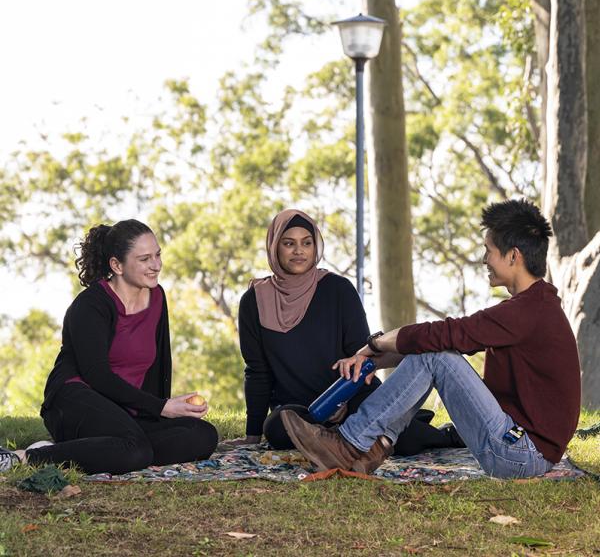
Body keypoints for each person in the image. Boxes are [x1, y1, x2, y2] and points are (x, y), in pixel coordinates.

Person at [281, 199, 581, 478]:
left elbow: (441, 337)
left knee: (436, 353)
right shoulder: (533, 307)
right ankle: (369, 447)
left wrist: (373, 344)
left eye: (488, 250)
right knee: (434, 351)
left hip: (521, 454)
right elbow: (440, 340)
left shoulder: (527, 311)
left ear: (513, 255)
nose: (484, 259)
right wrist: (370, 358)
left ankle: (349, 445)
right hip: (521, 447)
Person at [1, 220, 218, 475]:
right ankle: (26, 457)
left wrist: (158, 410)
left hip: (123, 407)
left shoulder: (157, 296)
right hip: (74, 400)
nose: (156, 265)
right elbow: (97, 375)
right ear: (117, 265)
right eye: (145, 259)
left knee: (202, 435)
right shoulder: (90, 305)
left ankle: (97, 449)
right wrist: (161, 406)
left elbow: (159, 366)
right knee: (135, 450)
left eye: (158, 255)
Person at [235, 208, 458, 454]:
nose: (299, 251)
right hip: (300, 413)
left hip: (352, 397)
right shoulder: (253, 301)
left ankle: (445, 435)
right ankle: (336, 437)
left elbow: (360, 355)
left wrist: (342, 401)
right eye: (289, 243)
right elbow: (257, 372)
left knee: (400, 442)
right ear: (275, 247)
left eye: (306, 243)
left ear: (315, 247)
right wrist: (252, 435)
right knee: (278, 429)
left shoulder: (338, 289)